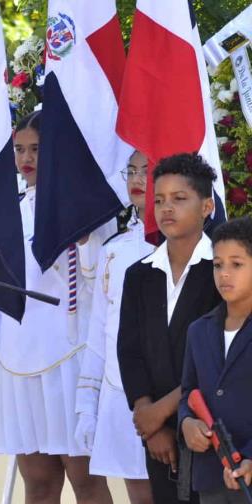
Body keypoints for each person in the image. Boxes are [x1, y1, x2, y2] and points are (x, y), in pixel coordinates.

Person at [0, 111, 114, 503]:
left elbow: (97, 278)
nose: (26, 158)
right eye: (19, 149)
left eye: (36, 149)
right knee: (37, 479)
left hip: (68, 354)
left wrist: (81, 231)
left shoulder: (86, 206)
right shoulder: (8, 210)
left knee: (84, 477)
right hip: (18, 356)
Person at [118, 153, 222, 503]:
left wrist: (162, 414)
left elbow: (217, 360)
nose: (166, 208)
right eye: (159, 199)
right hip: (158, 439)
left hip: (210, 428)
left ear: (207, 206)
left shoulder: (222, 271)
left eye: (180, 199)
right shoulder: (139, 274)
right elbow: (129, 350)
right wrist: (150, 423)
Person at [74, 151, 155, 503]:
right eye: (132, 171)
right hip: (117, 389)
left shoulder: (186, 248)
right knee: (137, 492)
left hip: (162, 395)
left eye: (147, 171)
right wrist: (86, 404)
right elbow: (100, 331)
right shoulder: (114, 249)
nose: (137, 179)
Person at [180, 217, 252, 504]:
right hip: (211, 476)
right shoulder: (199, 330)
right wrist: (186, 422)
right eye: (217, 264)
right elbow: (188, 391)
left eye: (236, 264)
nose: (224, 274)